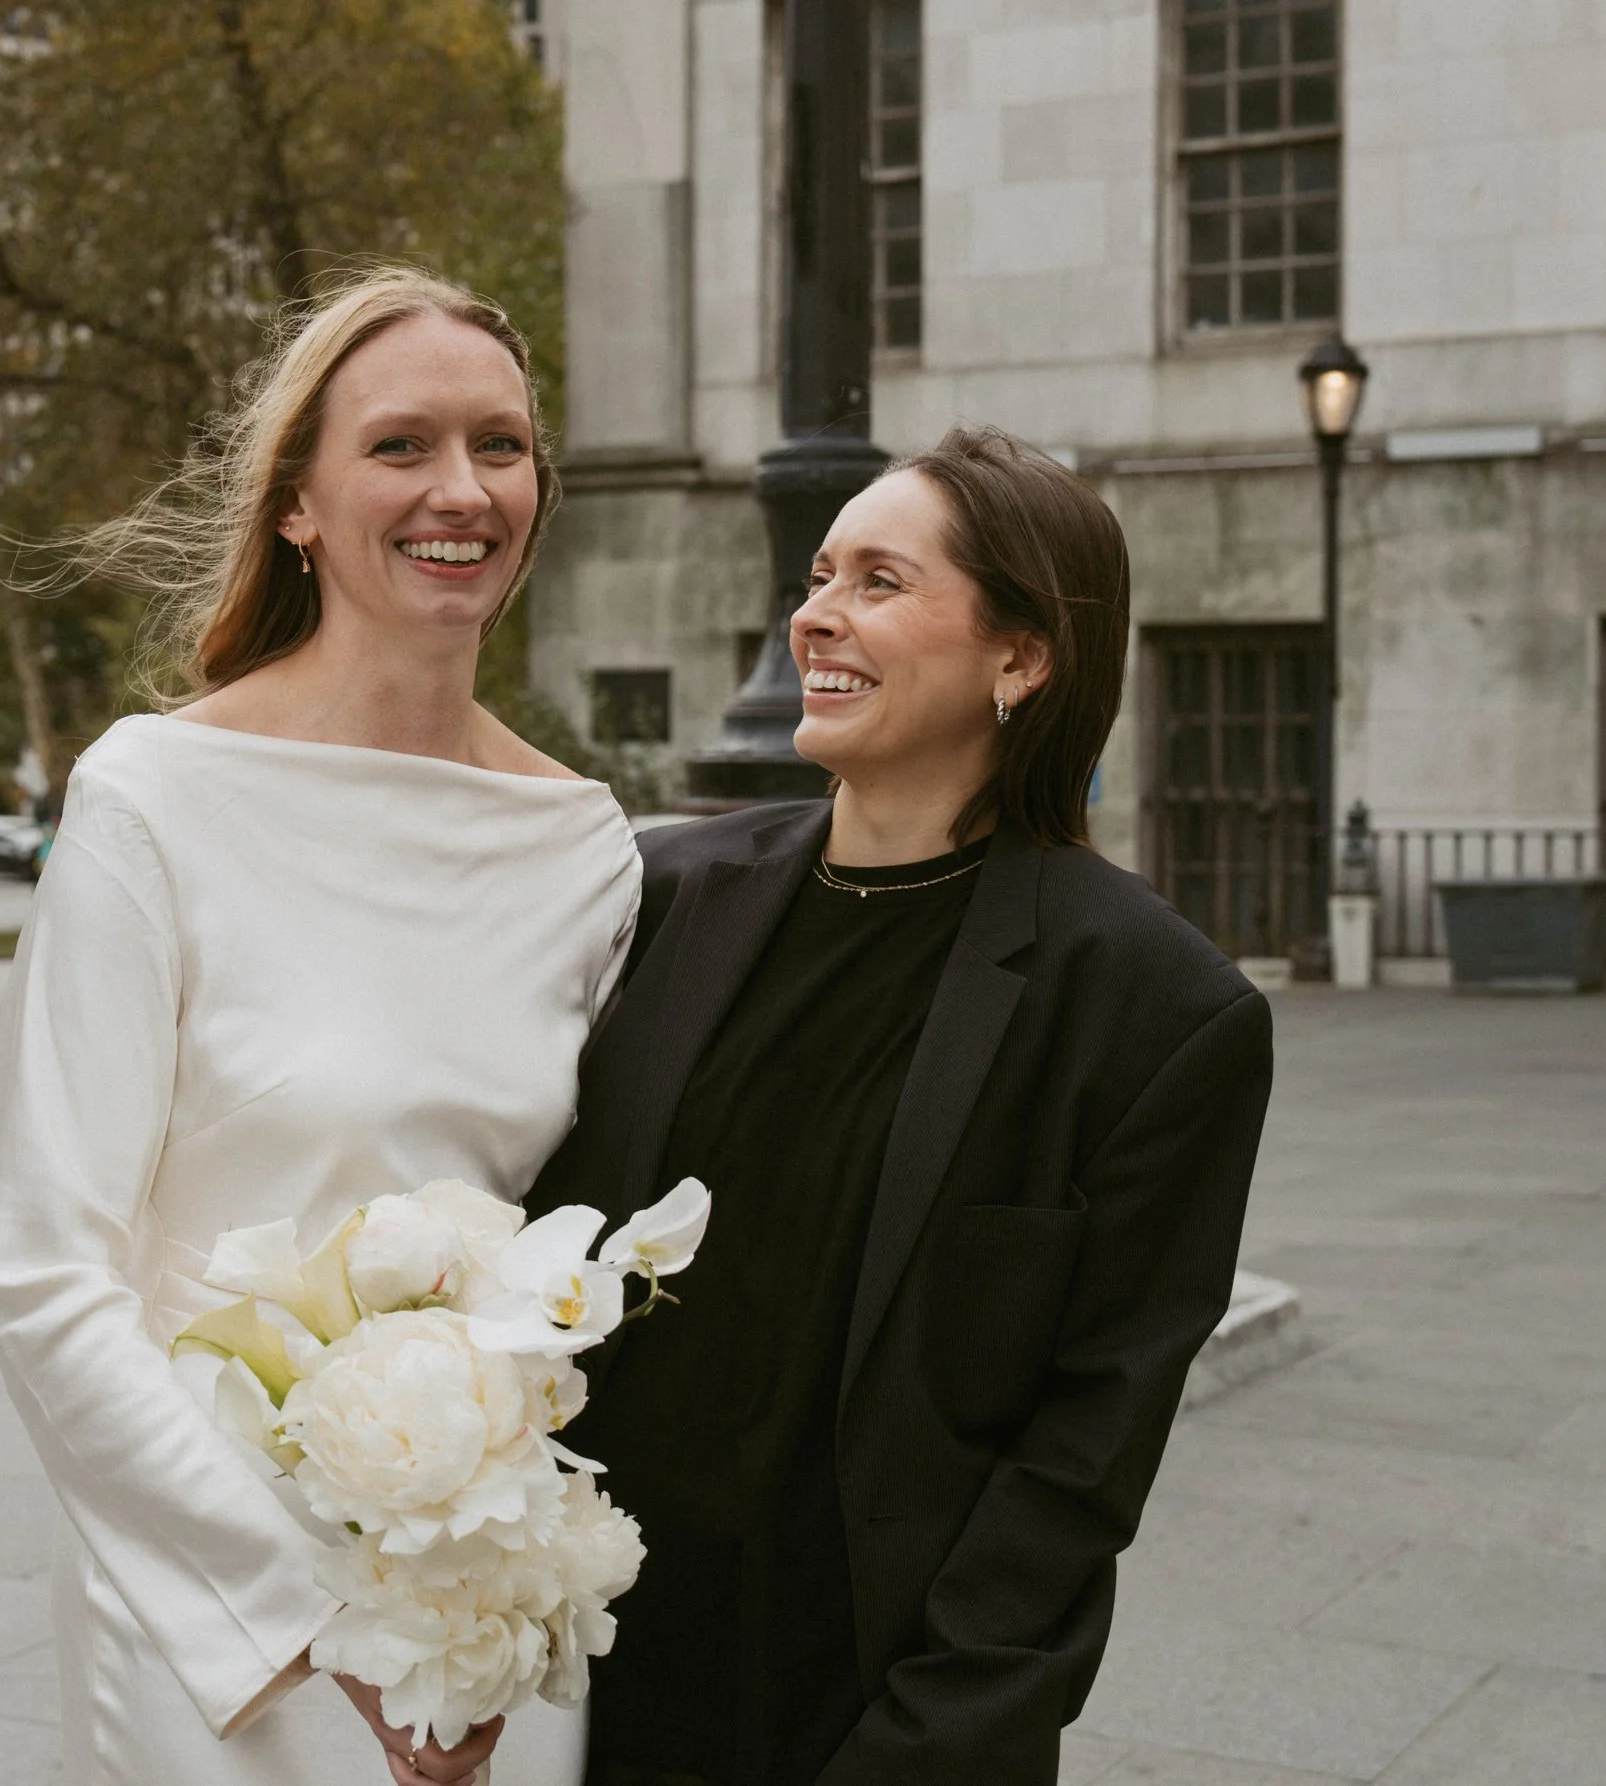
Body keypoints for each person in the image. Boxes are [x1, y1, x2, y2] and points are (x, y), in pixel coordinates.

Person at [531, 426, 1275, 1786]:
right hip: (584, 1681)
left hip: (875, 1709)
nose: (815, 614)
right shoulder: (661, 897)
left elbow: (1079, 1456)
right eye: (820, 575)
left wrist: (929, 1744)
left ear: (1022, 655)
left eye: (880, 581)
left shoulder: (1159, 1011)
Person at [0, 268, 639, 1786]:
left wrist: (482, 1603)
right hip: (219, 1618)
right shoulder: (151, 800)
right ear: (298, 501)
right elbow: (45, 1277)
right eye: (402, 445)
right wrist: (309, 1620)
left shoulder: (588, 848)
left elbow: (575, 1246)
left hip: (489, 1622)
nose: (461, 490)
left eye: (502, 445)